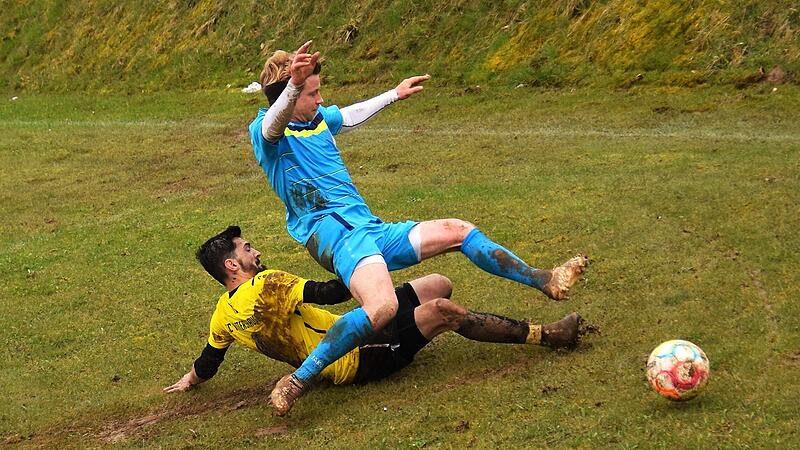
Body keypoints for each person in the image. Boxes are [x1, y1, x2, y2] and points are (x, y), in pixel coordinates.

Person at [249, 41, 589, 415]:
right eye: (311, 92)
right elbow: (273, 123)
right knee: (382, 309)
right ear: (290, 93)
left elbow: (347, 115)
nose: (319, 99)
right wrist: (295, 85)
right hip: (338, 238)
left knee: (459, 230)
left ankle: (545, 279)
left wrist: (393, 94)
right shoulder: (267, 135)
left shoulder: (316, 121)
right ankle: (299, 379)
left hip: (371, 229)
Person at [164, 226, 583, 401]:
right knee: (443, 309)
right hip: (358, 358)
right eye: (246, 249)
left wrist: (189, 380)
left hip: (360, 327)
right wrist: (368, 261)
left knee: (438, 282)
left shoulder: (222, 314)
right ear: (233, 266)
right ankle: (546, 335)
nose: (255, 250)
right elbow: (330, 292)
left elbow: (210, 359)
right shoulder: (267, 284)